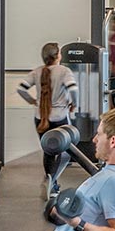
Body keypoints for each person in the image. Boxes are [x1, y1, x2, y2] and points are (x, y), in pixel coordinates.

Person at [19, 43, 77, 192]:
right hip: (60, 118)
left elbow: (21, 88)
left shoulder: (37, 72)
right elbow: (73, 89)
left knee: (48, 151)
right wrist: (73, 103)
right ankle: (53, 180)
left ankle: (50, 179)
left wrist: (32, 101)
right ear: (58, 56)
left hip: (40, 117)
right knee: (65, 151)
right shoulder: (64, 71)